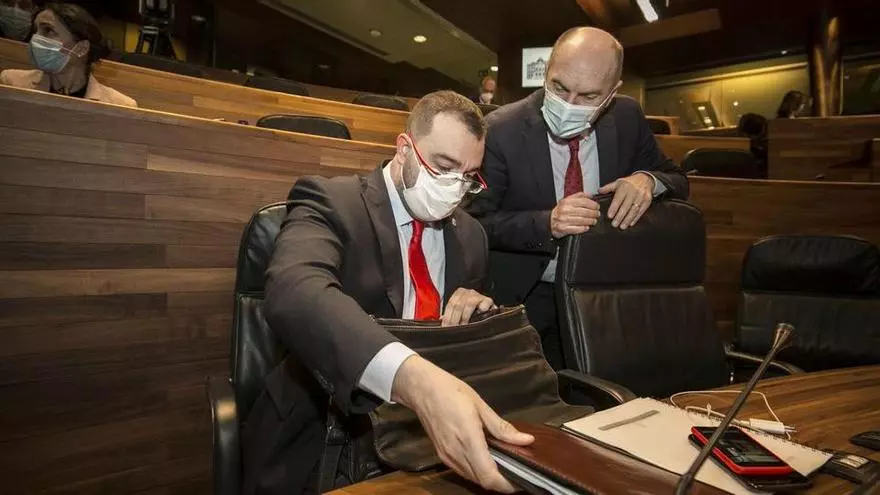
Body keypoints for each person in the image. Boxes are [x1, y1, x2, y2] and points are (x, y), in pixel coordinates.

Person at [243, 91, 534, 495]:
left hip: (424, 440)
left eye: (468, 176)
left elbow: (465, 348)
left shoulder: (471, 235)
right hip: (330, 429)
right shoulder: (331, 201)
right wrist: (412, 379)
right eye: (443, 167)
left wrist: (479, 313)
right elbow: (294, 290)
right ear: (404, 149)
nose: (454, 187)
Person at [467, 27, 689, 369]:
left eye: (588, 96)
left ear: (612, 93)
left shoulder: (627, 118)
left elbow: (676, 179)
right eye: (559, 87)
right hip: (526, 298)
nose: (569, 105)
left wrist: (648, 180)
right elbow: (474, 223)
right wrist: (547, 224)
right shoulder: (501, 129)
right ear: (547, 71)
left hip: (602, 296)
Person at [0, 3, 136, 107]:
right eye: (35, 30)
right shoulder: (12, 83)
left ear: (82, 49)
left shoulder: (119, 105)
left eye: (48, 30)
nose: (35, 38)